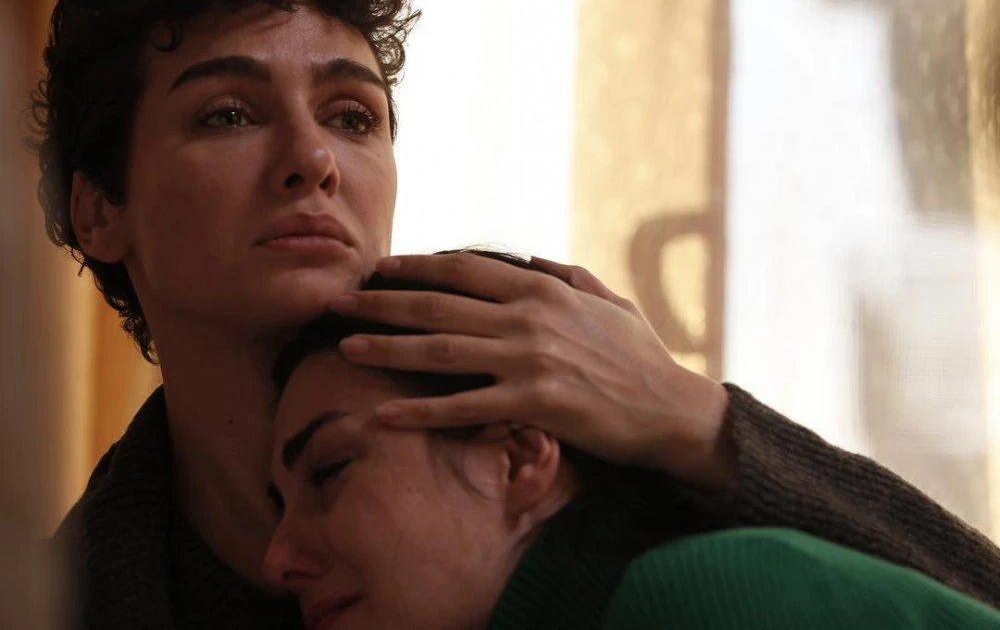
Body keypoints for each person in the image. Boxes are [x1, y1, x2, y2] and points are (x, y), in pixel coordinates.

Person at [29, 0, 1000, 628]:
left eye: (352, 115)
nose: (312, 159)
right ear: (100, 208)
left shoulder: (583, 478)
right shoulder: (60, 593)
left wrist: (696, 420)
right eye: (229, 113)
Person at [263, 249, 1000, 630]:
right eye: (278, 505)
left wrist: (699, 418)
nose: (278, 559)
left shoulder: (704, 598)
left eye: (329, 471)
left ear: (519, 457)